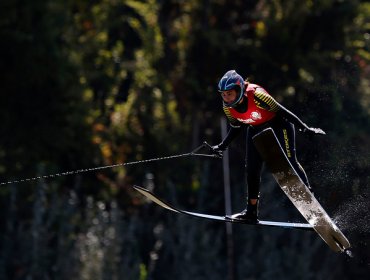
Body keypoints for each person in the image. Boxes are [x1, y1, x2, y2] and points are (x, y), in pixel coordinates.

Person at [211, 70, 325, 223]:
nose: (226, 97)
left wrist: (304, 127)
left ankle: (313, 206)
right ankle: (251, 212)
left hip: (279, 125)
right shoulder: (227, 108)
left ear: (239, 89)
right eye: (223, 94)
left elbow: (283, 111)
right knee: (251, 170)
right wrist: (222, 146)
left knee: (289, 162)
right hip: (255, 130)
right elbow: (236, 127)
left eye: (229, 93)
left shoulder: (257, 95)